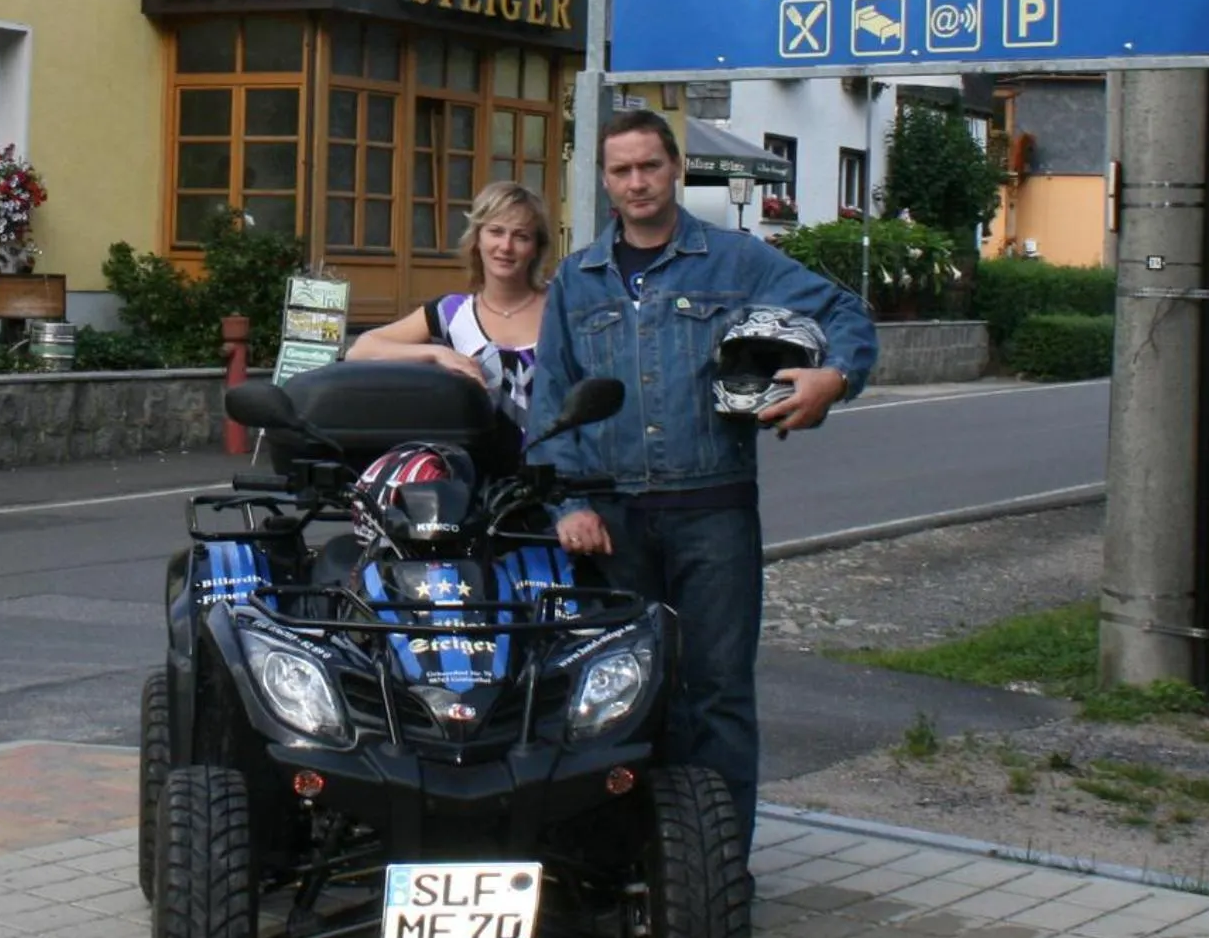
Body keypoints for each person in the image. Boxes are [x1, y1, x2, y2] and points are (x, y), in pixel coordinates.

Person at [531, 109, 876, 843]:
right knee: (615, 693)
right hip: (612, 522)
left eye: (648, 166)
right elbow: (552, 398)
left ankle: (713, 865)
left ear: (674, 167)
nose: (636, 182)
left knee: (714, 694)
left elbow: (844, 312)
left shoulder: (735, 260)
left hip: (712, 512)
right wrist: (567, 500)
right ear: (604, 178)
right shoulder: (577, 279)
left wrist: (831, 381)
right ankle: (626, 862)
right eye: (620, 170)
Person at [345, 179, 551, 443]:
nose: (506, 246)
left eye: (521, 236)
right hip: (473, 475)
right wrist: (434, 353)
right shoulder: (451, 313)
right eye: (496, 231)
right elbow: (360, 350)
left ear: (536, 247)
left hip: (555, 472)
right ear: (477, 238)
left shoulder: (561, 306)